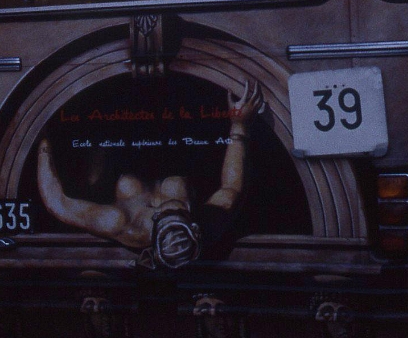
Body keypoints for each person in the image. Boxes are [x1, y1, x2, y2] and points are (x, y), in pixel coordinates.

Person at [36, 80, 264, 269]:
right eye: (182, 211)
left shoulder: (122, 223)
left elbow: (57, 203)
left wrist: (43, 137)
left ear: (154, 219)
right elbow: (232, 188)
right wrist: (238, 124)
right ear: (194, 226)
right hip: (181, 136)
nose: (177, 206)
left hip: (121, 140)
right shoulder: (208, 222)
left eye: (171, 212)